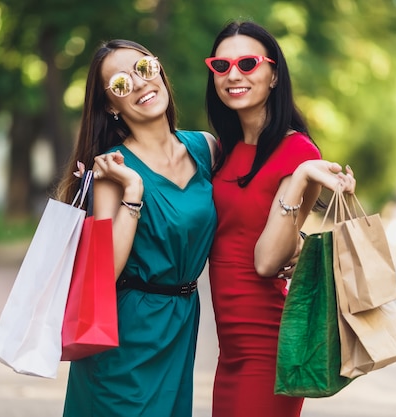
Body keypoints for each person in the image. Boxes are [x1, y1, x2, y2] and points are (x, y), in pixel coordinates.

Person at [55, 39, 217, 417]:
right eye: (121, 84)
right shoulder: (113, 168)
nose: (141, 84)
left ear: (158, 69)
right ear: (111, 105)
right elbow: (105, 271)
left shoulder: (206, 149)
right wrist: (133, 190)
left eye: (143, 69)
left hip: (179, 321)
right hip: (127, 332)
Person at [205, 21, 356, 417]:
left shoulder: (299, 151)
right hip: (231, 350)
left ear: (274, 75)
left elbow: (267, 262)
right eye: (221, 66)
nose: (233, 74)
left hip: (265, 346)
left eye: (248, 63)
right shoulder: (222, 149)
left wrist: (303, 175)